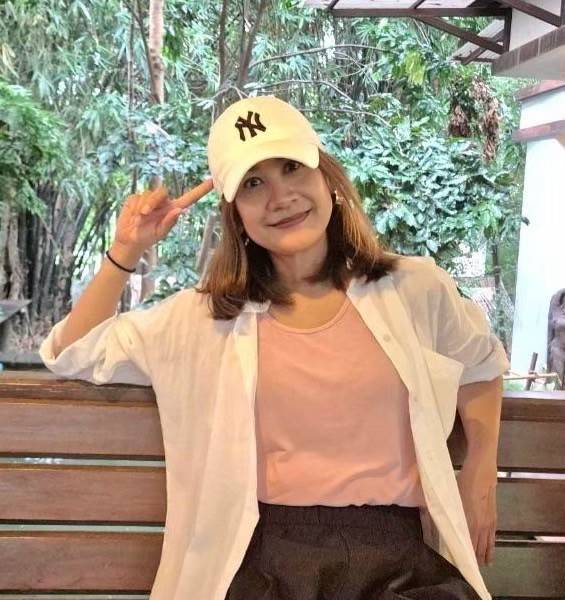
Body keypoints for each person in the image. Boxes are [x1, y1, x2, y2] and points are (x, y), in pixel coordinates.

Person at [39, 95, 510, 600]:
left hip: (397, 561)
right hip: (264, 562)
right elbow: (74, 350)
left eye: (292, 168)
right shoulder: (203, 318)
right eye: (253, 184)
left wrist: (481, 469)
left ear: (326, 177)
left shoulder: (413, 289)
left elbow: (480, 364)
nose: (280, 197)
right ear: (236, 214)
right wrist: (126, 251)